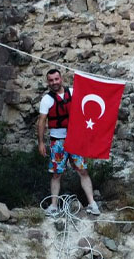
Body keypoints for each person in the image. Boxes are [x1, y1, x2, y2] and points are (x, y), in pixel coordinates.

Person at [36, 68, 100, 216]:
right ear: (48, 82)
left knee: (82, 170)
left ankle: (92, 204)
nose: (54, 82)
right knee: (57, 174)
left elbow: (87, 106)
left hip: (75, 138)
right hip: (57, 141)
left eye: (56, 79)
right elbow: (41, 122)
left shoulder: (73, 92)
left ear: (61, 79)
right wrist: (41, 142)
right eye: (51, 80)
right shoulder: (47, 100)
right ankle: (53, 206)